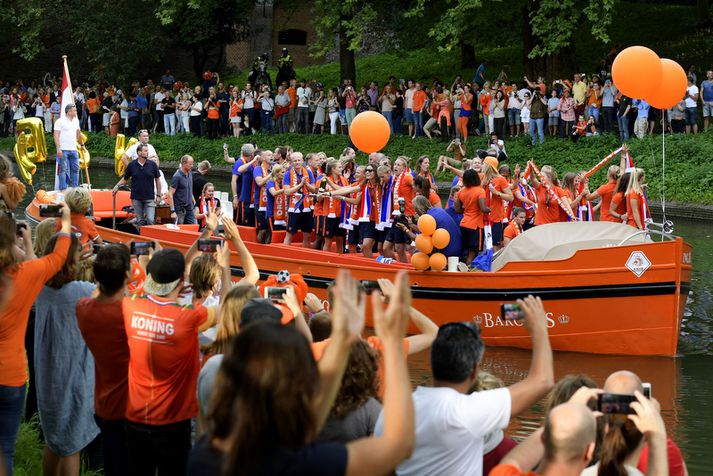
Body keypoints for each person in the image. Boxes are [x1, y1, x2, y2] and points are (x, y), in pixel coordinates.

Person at [189, 270, 415, 476]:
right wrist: (392, 342)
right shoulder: (302, 461)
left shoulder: (203, 456)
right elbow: (398, 446)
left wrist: (343, 338)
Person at [375, 295, 554, 476]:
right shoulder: (465, 413)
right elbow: (543, 381)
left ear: (432, 364)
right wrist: (539, 329)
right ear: (474, 371)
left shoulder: (392, 411)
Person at [123, 247, 220, 476]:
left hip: (135, 415)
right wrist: (224, 269)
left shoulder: (130, 305)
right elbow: (227, 307)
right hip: (173, 421)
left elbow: (141, 291)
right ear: (182, 280)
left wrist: (150, 265)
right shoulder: (187, 317)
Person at [0, 206, 72, 476]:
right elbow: (59, 256)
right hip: (10, 375)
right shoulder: (24, 275)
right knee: (4, 446)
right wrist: (65, 222)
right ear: (12, 243)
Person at [35, 233, 98, 476]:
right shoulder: (82, 290)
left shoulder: (40, 288)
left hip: (47, 376)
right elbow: (113, 293)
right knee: (72, 446)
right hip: (74, 377)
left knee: (53, 442)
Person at [76, 244, 131, 476]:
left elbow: (96, 295)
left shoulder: (83, 308)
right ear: (127, 275)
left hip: (102, 403)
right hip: (131, 407)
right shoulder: (130, 313)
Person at [580, 371, 670, 476]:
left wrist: (570, 414)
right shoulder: (669, 453)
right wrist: (657, 438)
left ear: (604, 426)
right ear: (643, 435)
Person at [113, 143, 161, 228]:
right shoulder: (131, 165)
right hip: (136, 198)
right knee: (140, 220)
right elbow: (125, 179)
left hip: (149, 197)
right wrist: (117, 186)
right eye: (145, 151)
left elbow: (158, 180)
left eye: (147, 151)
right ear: (139, 153)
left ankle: (151, 238)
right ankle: (141, 239)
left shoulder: (152, 165)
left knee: (150, 220)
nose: (147, 152)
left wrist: (158, 195)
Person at [383, 157, 415, 263]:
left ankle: (419, 265)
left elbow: (417, 185)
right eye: (395, 164)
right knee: (396, 247)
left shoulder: (406, 177)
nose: (395, 166)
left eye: (398, 165)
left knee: (409, 247)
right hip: (397, 215)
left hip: (407, 215)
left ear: (404, 168)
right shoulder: (395, 179)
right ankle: (403, 269)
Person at [454, 169, 490, 263]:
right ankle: (468, 272)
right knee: (473, 252)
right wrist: (489, 209)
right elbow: (483, 208)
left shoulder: (461, 192)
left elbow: (457, 210)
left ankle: (461, 268)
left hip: (464, 224)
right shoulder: (480, 191)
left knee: (465, 250)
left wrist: (467, 210)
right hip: (476, 225)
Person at [284, 151, 316, 247]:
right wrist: (300, 184)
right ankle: (284, 255)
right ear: (291, 162)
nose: (297, 162)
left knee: (307, 234)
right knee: (290, 233)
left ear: (302, 161)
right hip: (294, 207)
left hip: (307, 207)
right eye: (295, 161)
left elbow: (314, 190)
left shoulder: (308, 172)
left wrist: (306, 184)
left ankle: (305, 256)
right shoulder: (287, 174)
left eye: (299, 160)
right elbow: (287, 192)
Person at [53, 103, 84, 190]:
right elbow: (56, 136)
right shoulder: (60, 121)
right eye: (74, 110)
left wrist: (82, 145)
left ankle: (75, 189)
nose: (76, 112)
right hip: (63, 150)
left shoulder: (76, 121)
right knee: (63, 170)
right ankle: (63, 189)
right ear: (69, 111)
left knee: (76, 170)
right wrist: (58, 149)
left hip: (74, 149)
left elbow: (78, 134)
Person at [168, 154, 197, 224]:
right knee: (179, 227)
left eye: (192, 164)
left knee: (194, 226)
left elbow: (189, 188)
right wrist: (172, 211)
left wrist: (193, 200)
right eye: (190, 164)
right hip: (180, 208)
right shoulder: (177, 176)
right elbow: (170, 194)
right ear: (184, 164)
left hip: (189, 207)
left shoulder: (190, 173)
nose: (192, 166)